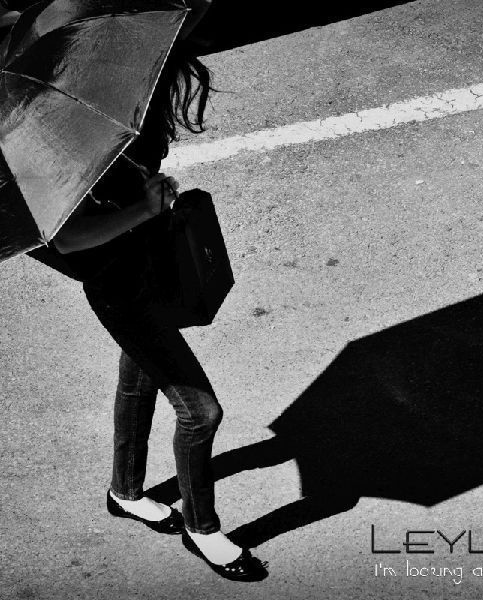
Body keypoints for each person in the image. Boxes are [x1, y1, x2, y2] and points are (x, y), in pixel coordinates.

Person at [52, 3, 269, 583]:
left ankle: (125, 493)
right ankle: (204, 530)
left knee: (141, 377)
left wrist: (145, 181)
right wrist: (143, 208)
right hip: (117, 286)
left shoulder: (112, 97)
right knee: (201, 412)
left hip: (148, 266)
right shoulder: (53, 137)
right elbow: (68, 238)